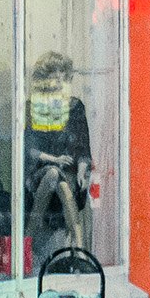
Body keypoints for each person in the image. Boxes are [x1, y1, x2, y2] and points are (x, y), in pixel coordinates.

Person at [23, 50, 95, 263]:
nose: (60, 82)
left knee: (64, 182)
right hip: (41, 172)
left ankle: (29, 238)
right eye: (55, 77)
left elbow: (83, 145)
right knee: (54, 174)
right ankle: (79, 247)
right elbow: (30, 149)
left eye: (64, 77)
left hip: (70, 173)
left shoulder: (75, 107)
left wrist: (82, 168)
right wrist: (54, 159)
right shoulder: (33, 106)